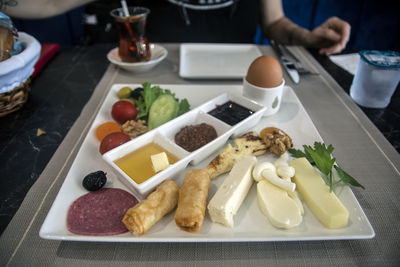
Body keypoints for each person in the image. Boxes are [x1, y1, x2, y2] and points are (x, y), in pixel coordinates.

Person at [1, 0, 350, 55]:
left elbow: (275, 23)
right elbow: (49, 3)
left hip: (236, 78)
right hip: (142, 82)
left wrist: (307, 37)